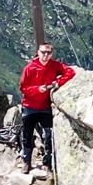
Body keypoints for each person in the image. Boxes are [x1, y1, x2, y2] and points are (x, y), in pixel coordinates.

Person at [18, 44, 75, 173]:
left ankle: (47, 163)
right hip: (29, 106)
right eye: (43, 52)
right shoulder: (30, 68)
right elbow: (23, 88)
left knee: (48, 135)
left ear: (51, 54)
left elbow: (70, 72)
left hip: (45, 106)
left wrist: (58, 83)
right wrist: (37, 90)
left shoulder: (55, 66)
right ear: (38, 52)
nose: (45, 55)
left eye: (48, 53)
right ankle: (26, 161)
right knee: (27, 135)